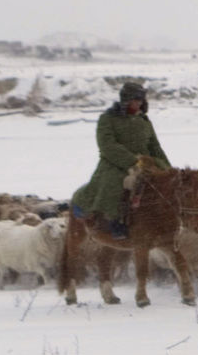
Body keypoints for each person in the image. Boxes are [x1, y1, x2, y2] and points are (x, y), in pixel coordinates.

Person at [71, 79, 171, 238]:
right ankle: (115, 222)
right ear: (126, 99)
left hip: (146, 162)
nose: (138, 103)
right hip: (115, 163)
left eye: (141, 100)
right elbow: (107, 145)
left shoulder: (144, 121)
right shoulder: (108, 118)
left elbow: (155, 147)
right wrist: (132, 161)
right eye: (135, 99)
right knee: (115, 183)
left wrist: (167, 169)